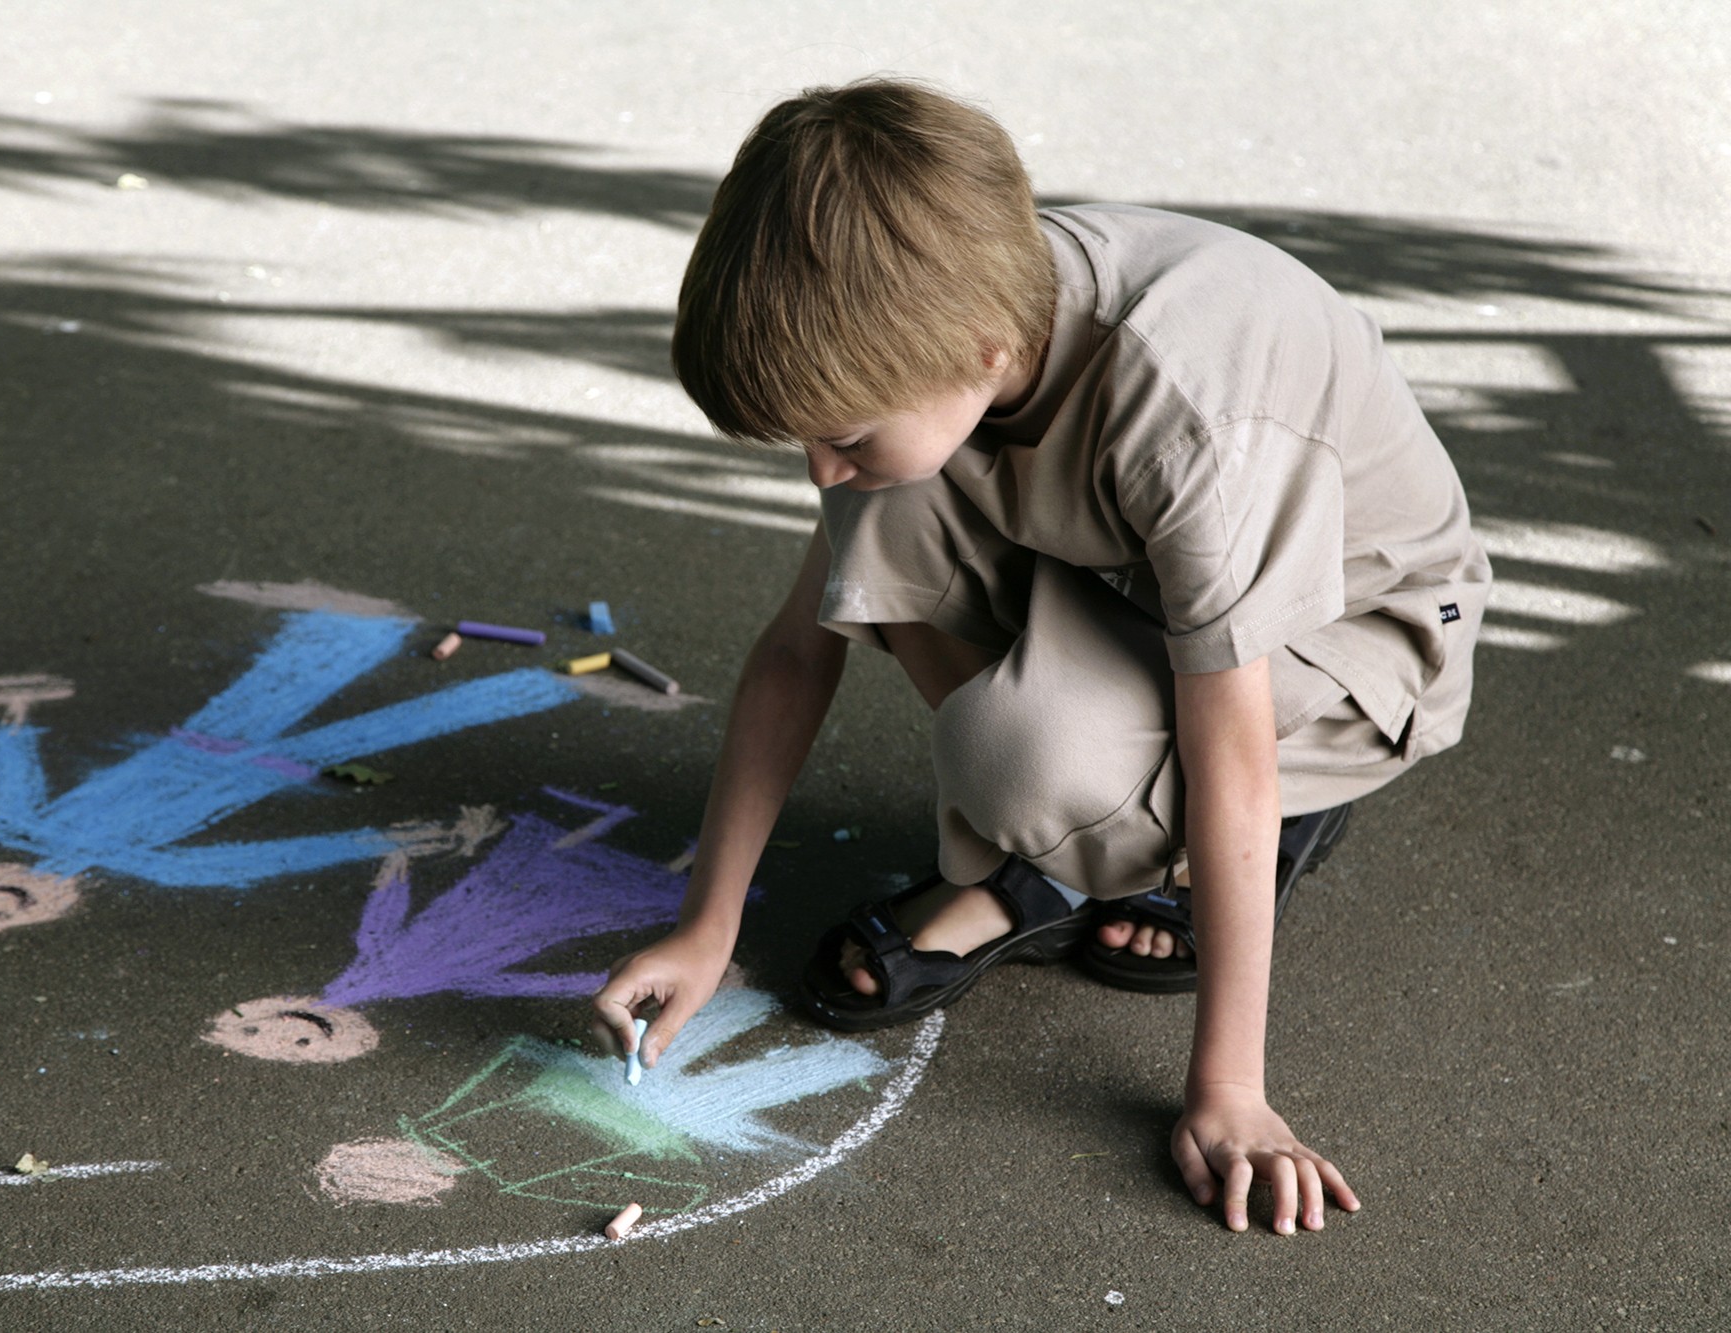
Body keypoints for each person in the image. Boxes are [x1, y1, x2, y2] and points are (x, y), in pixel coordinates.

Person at [591, 78, 1490, 1235]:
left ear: (981, 350)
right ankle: (1081, 830)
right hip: (1127, 584)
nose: (816, 469)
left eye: (838, 435)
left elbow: (1233, 755)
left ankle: (1069, 864)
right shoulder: (935, 324)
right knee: (890, 502)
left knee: (1022, 758)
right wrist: (705, 927)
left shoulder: (1186, 415)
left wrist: (1227, 1091)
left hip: (1355, 642)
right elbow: (790, 652)